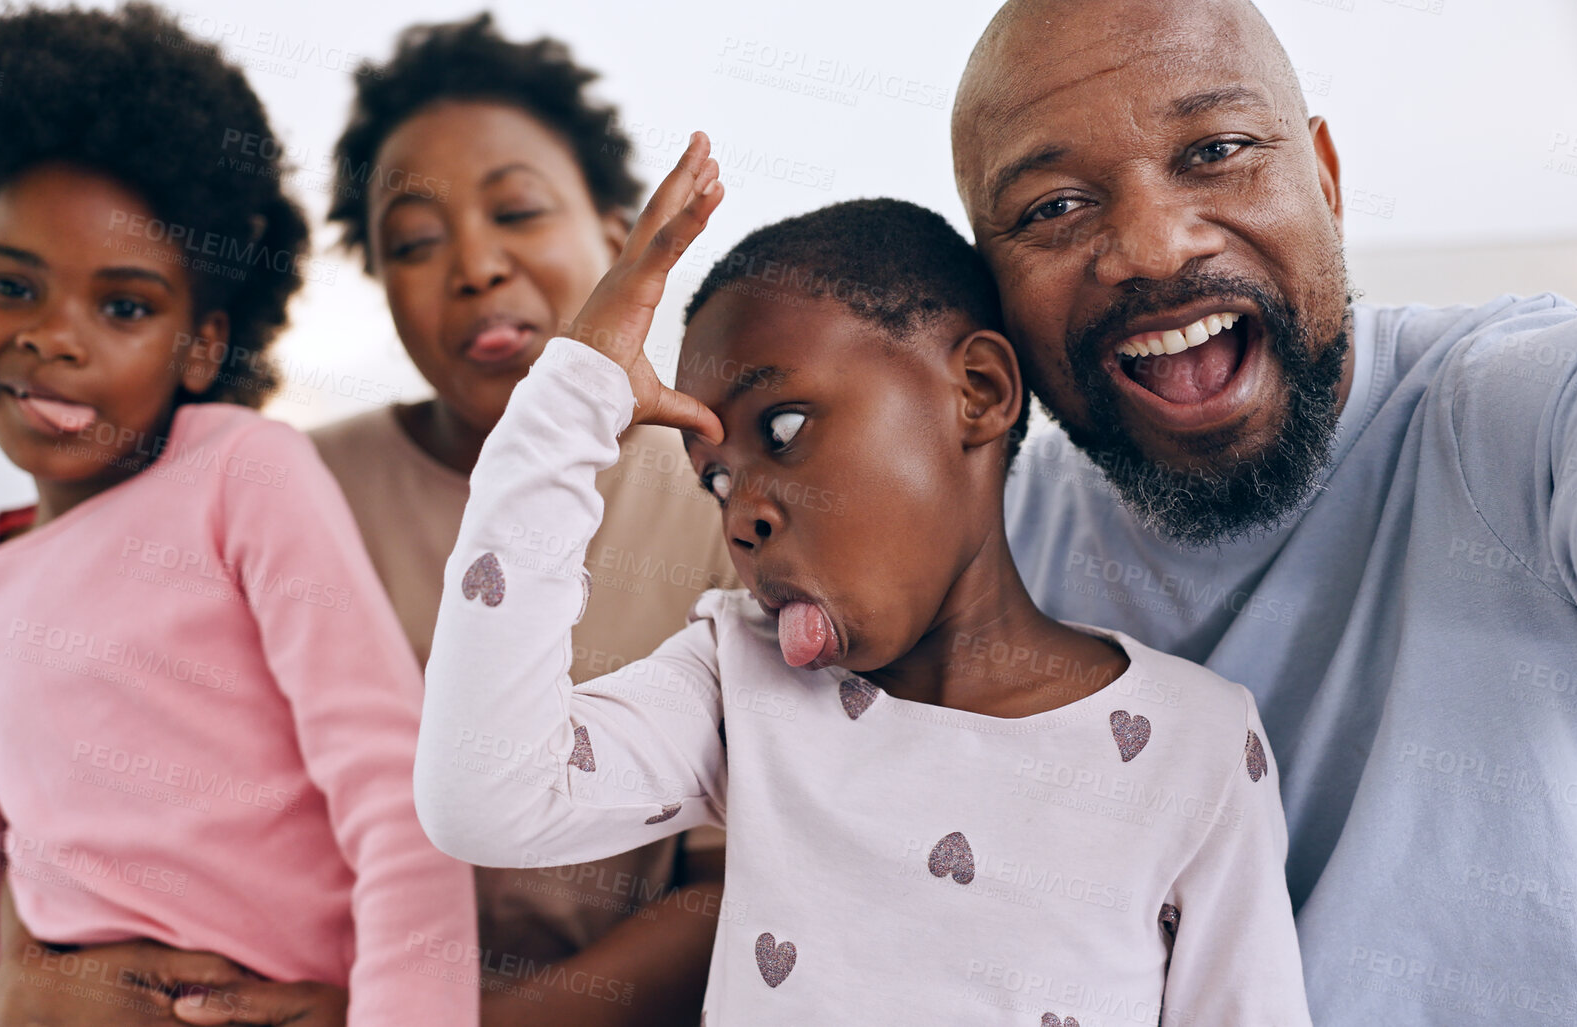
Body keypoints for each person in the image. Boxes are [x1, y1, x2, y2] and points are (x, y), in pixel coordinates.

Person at [414, 137, 1313, 1024]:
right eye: (715, 476)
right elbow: (486, 798)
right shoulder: (739, 681)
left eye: (784, 425)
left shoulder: (1194, 745)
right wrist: (570, 403)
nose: (741, 514)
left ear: (978, 391)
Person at [953, 1, 1577, 1021]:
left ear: (1328, 182)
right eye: (1052, 207)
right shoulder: (987, 544)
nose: (1154, 246)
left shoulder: (1533, 412)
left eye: (1216, 149)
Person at [0, 15, 738, 1026]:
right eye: (415, 243)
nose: (474, 265)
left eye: (516, 210)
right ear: (380, 285)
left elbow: (728, 883)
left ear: (614, 237)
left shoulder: (716, 498)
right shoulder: (285, 484)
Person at [0, 6, 475, 1025]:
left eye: (126, 306)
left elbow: (396, 801)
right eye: (11, 286)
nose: (57, 339)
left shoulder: (246, 475)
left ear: (202, 342)